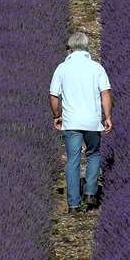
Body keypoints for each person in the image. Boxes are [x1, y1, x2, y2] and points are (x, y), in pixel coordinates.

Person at [49, 31, 112, 212]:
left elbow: (54, 95)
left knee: (73, 161)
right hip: (92, 121)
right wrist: (107, 117)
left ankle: (74, 205)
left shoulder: (62, 68)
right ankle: (91, 192)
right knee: (93, 154)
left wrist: (56, 116)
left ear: (69, 48)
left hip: (71, 123)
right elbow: (105, 93)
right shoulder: (96, 68)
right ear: (86, 47)